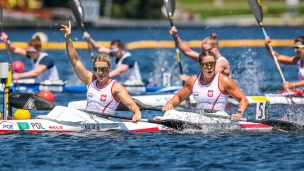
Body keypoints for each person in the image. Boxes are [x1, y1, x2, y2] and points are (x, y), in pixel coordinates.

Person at [60, 21, 141, 122]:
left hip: (105, 128)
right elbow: (75, 61)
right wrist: (68, 38)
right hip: (87, 123)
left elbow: (130, 104)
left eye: (103, 69)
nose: (100, 73)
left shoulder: (116, 87)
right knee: (60, 110)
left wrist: (137, 112)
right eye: (97, 69)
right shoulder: (90, 79)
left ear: (109, 69)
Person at [162, 51, 248, 121]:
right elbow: (179, 97)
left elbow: (243, 99)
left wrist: (239, 113)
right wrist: (170, 103)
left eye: (212, 64)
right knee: (170, 113)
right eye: (206, 64)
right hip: (198, 116)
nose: (209, 67)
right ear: (200, 66)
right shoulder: (193, 80)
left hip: (219, 118)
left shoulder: (224, 81)